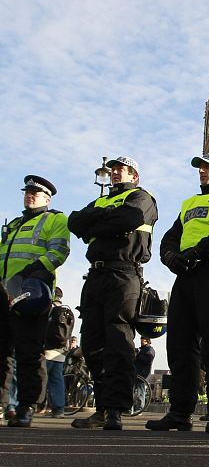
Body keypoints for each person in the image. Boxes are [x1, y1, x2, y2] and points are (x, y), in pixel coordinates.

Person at [146, 152, 209, 434]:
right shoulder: (189, 203)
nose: (202, 171)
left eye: (208, 167)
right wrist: (171, 257)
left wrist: (197, 252)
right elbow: (169, 238)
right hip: (186, 277)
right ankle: (180, 412)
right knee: (179, 346)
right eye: (200, 167)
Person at [68, 157, 157, 431]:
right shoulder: (101, 201)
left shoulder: (142, 197)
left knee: (119, 340)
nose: (116, 173)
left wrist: (95, 225)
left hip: (124, 274)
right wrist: (106, 222)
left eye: (122, 169)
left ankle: (116, 409)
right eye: (114, 169)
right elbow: (75, 222)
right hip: (95, 275)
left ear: (135, 175)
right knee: (92, 342)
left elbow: (130, 218)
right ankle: (103, 407)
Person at [0, 176, 70, 427]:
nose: (30, 196)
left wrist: (30, 273)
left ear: (47, 198)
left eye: (36, 193)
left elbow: (58, 251)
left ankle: (26, 407)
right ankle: (3, 404)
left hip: (32, 292)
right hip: (5, 291)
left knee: (28, 352)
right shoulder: (15, 223)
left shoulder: (55, 219)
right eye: (27, 191)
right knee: (3, 353)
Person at [43, 288, 74, 419]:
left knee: (41, 379)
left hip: (47, 349)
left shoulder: (49, 310)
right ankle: (58, 409)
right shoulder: (67, 312)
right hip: (61, 352)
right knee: (57, 380)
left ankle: (32, 407)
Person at [134, 336, 155, 412]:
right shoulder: (141, 349)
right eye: (141, 340)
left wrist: (139, 354)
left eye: (143, 340)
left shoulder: (150, 350)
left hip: (143, 374)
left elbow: (148, 360)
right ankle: (129, 409)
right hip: (136, 373)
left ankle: (139, 409)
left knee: (140, 393)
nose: (141, 341)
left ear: (148, 341)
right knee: (132, 391)